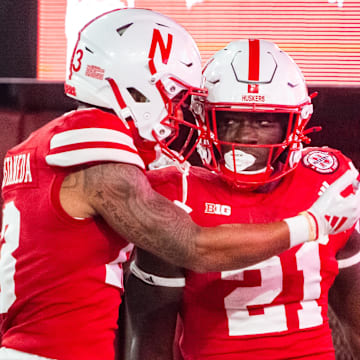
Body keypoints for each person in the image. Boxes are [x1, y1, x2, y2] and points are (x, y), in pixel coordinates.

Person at [0, 9, 359, 358]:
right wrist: (312, 223)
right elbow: (193, 247)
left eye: (264, 122)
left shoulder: (39, 146)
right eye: (171, 96)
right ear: (134, 86)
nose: (175, 112)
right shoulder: (101, 149)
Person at [122, 39, 360, 360]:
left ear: (294, 123)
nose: (243, 135)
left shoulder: (325, 181)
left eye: (264, 122)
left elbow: (355, 316)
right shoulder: (178, 194)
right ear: (204, 119)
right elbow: (150, 344)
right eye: (228, 119)